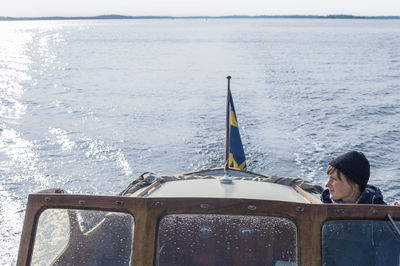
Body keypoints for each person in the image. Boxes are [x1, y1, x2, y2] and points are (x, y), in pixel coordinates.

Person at [321, 150, 386, 204]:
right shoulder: (323, 204)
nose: (326, 184)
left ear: (355, 185)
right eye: (329, 178)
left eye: (333, 179)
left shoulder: (384, 213)